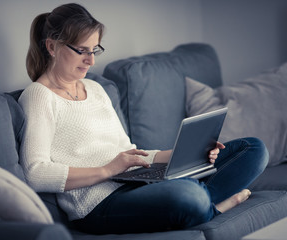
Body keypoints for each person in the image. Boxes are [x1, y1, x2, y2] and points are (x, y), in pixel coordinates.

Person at [19, 3, 269, 234]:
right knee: (189, 196)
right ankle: (216, 206)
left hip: (137, 180)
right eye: (82, 51)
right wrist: (107, 170)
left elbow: (129, 154)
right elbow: (36, 173)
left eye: (95, 50)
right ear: (52, 47)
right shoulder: (39, 96)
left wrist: (184, 154)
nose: (91, 60)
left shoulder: (95, 89)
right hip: (98, 204)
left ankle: (204, 201)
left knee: (254, 149)